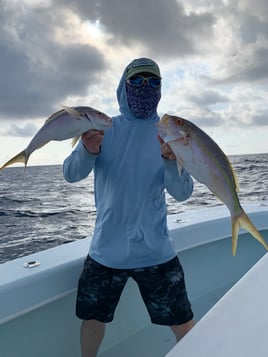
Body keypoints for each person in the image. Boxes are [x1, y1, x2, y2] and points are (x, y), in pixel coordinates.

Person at [63, 57, 195, 357]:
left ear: (161, 89)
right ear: (124, 85)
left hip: (157, 252)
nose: (144, 88)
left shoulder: (169, 132)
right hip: (106, 252)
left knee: (184, 323)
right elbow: (71, 174)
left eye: (153, 82)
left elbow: (183, 193)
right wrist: (87, 149)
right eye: (137, 81)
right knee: (92, 320)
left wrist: (171, 162)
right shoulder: (103, 127)